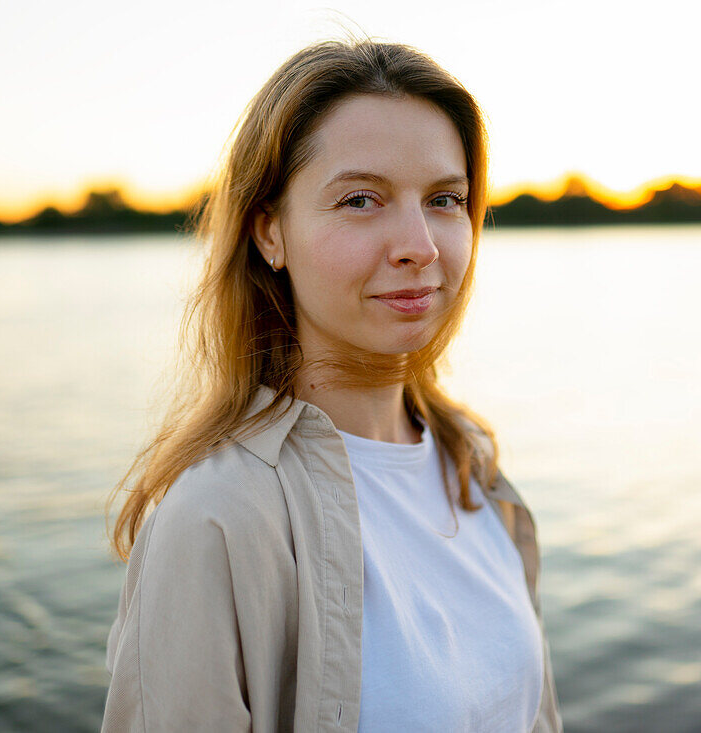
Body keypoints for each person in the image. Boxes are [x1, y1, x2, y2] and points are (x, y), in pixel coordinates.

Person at [102, 39, 562, 733]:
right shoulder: (219, 519)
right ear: (269, 233)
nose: (420, 244)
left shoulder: (474, 466)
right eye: (360, 199)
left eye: (444, 198)